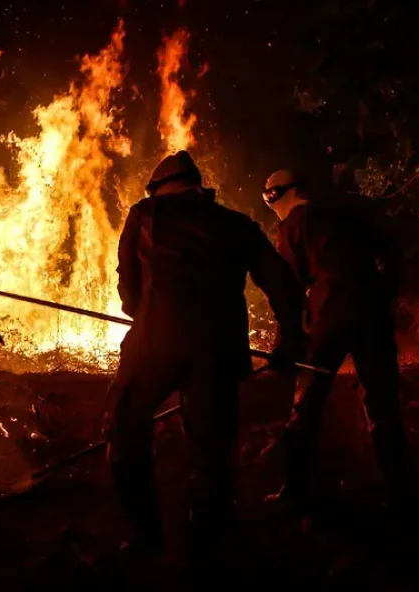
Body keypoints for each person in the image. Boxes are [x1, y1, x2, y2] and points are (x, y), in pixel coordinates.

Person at [103, 151, 306, 568]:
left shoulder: (144, 214)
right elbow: (283, 285)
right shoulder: (237, 225)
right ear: (199, 189)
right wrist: (289, 342)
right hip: (216, 351)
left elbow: (128, 290)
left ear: (159, 189)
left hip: (153, 345)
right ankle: (206, 547)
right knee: (211, 451)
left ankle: (146, 537)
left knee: (124, 429)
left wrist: (145, 314)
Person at [261, 168, 412, 514]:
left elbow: (287, 289)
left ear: (279, 195)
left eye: (269, 196)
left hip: (330, 317)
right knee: (383, 402)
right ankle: (400, 492)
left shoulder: (293, 226)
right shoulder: (344, 212)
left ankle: (296, 491)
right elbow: (390, 248)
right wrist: (385, 290)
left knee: (307, 403)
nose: (271, 205)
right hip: (372, 312)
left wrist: (286, 344)